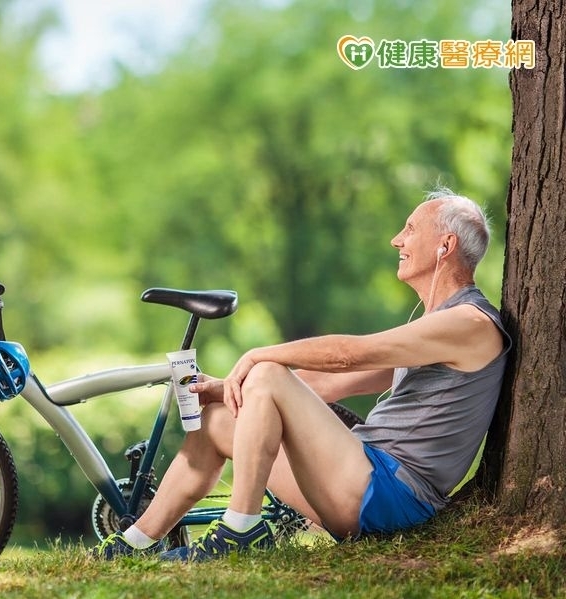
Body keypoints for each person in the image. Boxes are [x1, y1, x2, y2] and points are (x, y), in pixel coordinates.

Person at [92, 187, 510, 561]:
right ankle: (137, 541)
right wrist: (228, 388)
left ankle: (241, 528)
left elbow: (351, 355)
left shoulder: (469, 324)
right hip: (360, 480)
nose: (397, 239)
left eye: (410, 228)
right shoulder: (435, 328)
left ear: (445, 245)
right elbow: (326, 383)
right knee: (216, 420)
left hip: (389, 494)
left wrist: (260, 357)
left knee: (271, 372)